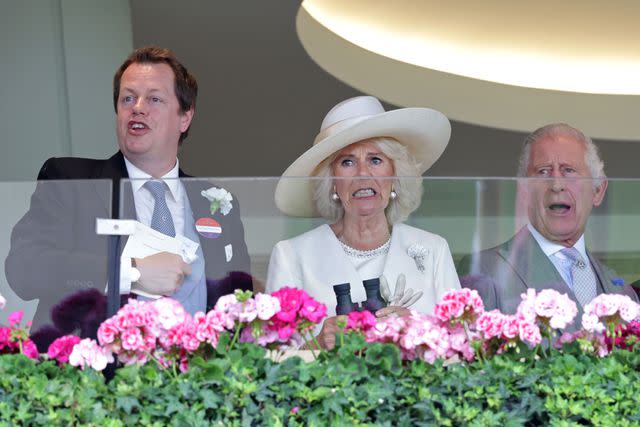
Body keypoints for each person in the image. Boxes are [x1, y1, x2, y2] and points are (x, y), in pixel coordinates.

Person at [5, 47, 251, 339]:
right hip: (93, 375)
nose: (138, 107)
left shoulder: (217, 200)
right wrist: (130, 272)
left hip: (193, 376)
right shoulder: (71, 180)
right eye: (128, 98)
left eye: (154, 98)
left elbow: (238, 301)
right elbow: (24, 268)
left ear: (185, 117)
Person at [265, 96, 461, 349]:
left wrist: (420, 330)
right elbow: (270, 361)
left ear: (395, 176)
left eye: (375, 160)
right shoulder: (292, 255)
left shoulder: (433, 249)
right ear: (332, 181)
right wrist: (315, 345)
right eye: (347, 162)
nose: (362, 174)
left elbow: (464, 345)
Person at [460, 123, 638, 315]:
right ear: (524, 190)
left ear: (597, 190)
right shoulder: (485, 273)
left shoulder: (622, 292)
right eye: (543, 171)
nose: (556, 184)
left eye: (568, 170)